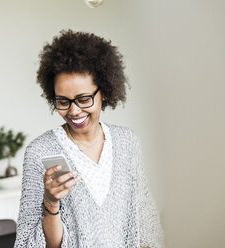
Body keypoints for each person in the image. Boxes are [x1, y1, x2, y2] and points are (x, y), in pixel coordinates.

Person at [14, 30, 164, 248]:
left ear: (104, 91)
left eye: (84, 99)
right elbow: (37, 244)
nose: (74, 111)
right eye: (63, 101)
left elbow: (145, 225)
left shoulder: (127, 143)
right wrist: (51, 201)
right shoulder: (40, 151)